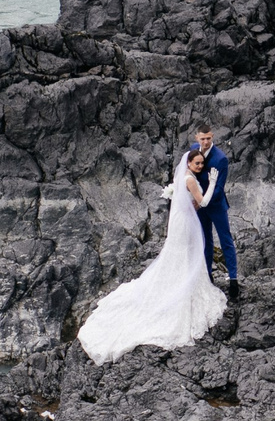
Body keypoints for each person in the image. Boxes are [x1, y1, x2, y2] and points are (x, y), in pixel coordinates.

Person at [75, 138, 232, 363]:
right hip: (186, 224)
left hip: (178, 221)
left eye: (200, 163)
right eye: (197, 163)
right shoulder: (191, 180)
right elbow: (204, 202)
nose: (200, 166)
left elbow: (189, 201)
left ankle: (178, 281)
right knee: (186, 254)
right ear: (189, 164)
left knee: (178, 255)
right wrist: (214, 182)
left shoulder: (183, 178)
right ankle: (184, 288)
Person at [190, 124, 239, 285]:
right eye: (202, 139)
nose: (205, 142)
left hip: (216, 205)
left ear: (213, 137)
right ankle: (207, 274)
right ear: (197, 138)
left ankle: (233, 278)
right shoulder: (193, 150)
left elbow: (219, 188)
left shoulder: (221, 158)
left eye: (208, 139)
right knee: (205, 240)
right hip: (199, 205)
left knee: (226, 240)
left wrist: (202, 201)